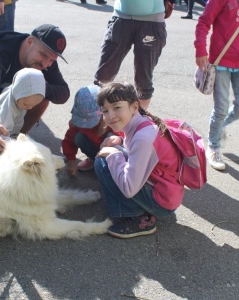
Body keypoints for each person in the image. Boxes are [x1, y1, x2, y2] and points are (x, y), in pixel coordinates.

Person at [94, 82, 184, 238]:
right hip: (166, 191)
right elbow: (137, 152)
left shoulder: (144, 138)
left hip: (161, 202)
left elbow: (129, 188)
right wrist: (120, 143)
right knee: (110, 153)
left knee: (103, 163)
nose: (110, 116)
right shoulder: (142, 122)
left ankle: (138, 218)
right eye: (105, 111)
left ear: (134, 107)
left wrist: (113, 155)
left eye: (116, 107)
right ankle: (137, 208)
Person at [0, 24, 70, 154]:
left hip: (9, 108)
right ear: (30, 41)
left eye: (52, 60)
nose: (45, 64)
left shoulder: (46, 61)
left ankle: (16, 139)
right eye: (43, 55)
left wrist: (37, 86)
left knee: (41, 97)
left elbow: (64, 93)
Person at [94, 0, 167, 110]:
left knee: (143, 82)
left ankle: (138, 121)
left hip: (152, 19)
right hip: (121, 16)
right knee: (103, 77)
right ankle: (97, 121)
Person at [194, 0, 239, 171]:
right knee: (221, 107)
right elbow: (204, 21)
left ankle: (220, 127)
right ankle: (213, 146)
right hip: (221, 61)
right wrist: (200, 49)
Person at [0, 68, 45, 166]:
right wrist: (11, 148)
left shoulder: (17, 92)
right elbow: (2, 133)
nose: (29, 108)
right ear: (17, 92)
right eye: (26, 104)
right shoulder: (8, 109)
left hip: (8, 130)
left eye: (33, 105)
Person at [62, 85, 120, 176]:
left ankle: (115, 169)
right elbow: (69, 140)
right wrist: (71, 160)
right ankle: (94, 159)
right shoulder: (77, 124)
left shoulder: (114, 119)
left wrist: (118, 139)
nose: (86, 125)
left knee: (112, 137)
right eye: (82, 119)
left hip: (116, 155)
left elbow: (130, 139)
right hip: (97, 150)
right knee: (78, 137)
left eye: (90, 120)